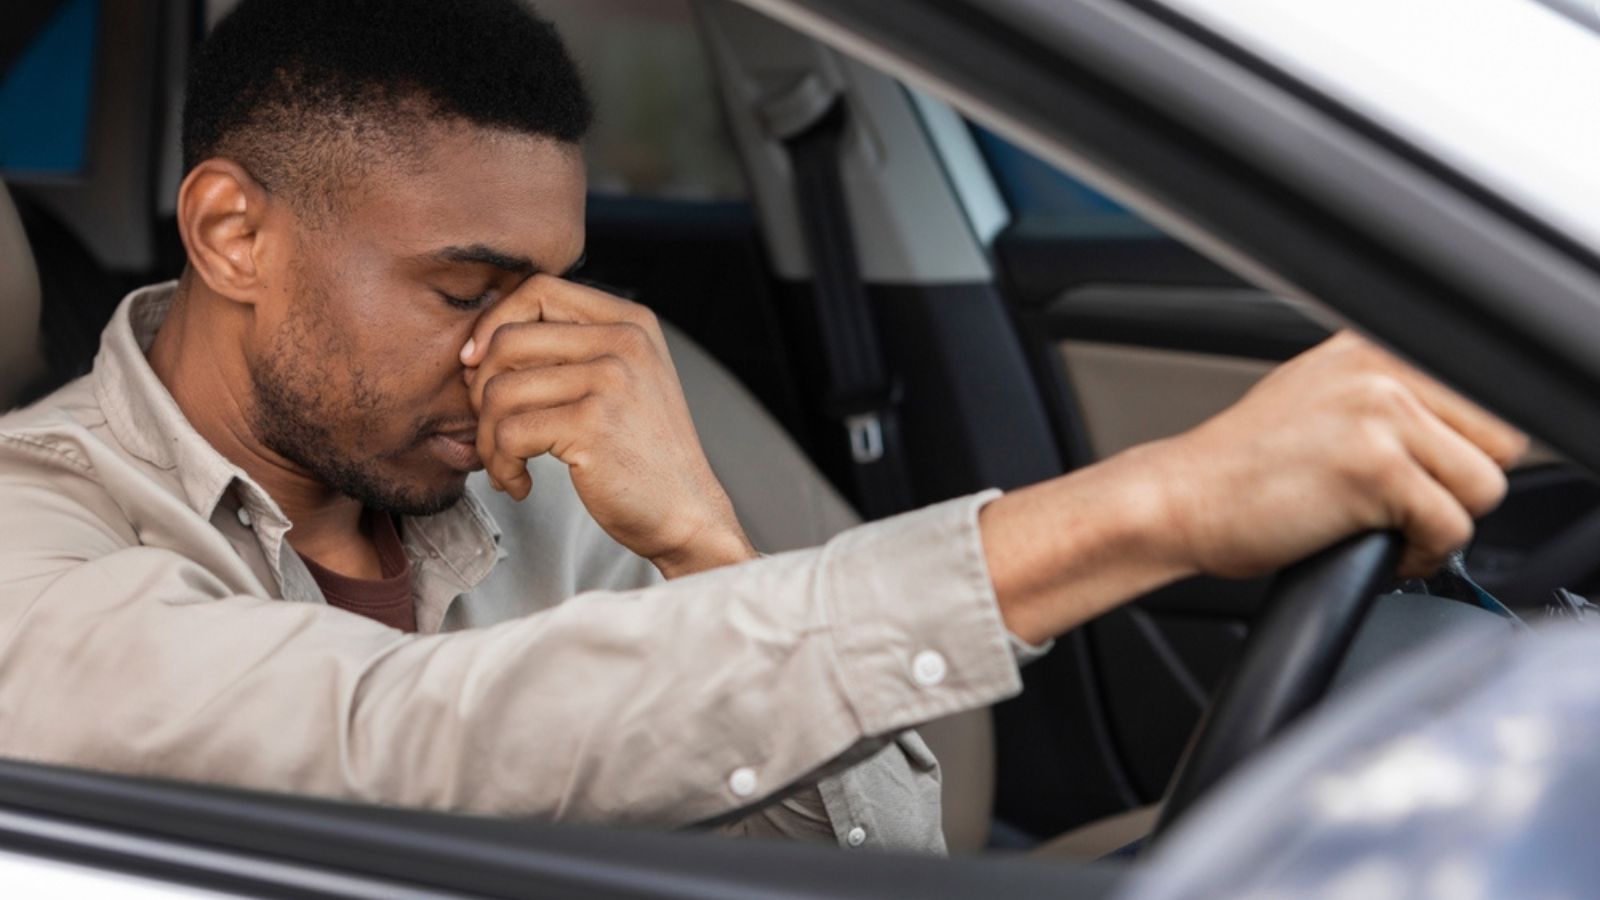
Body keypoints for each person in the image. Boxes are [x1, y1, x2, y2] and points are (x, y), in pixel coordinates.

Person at [0, 0, 1524, 854]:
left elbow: (865, 867)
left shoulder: (538, 457)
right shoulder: (33, 540)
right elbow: (401, 738)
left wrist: (699, 541)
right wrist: (1146, 512)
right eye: (462, 284)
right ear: (232, 234)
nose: (512, 346)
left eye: (543, 282)